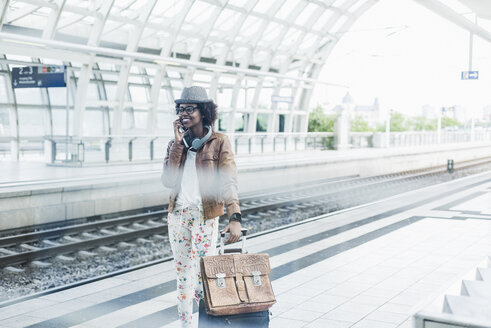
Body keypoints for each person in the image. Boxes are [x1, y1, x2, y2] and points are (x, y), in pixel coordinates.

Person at [161, 86, 242, 327]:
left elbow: (228, 181)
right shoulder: (175, 144)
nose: (183, 113)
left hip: (205, 216)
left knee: (205, 276)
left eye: (189, 108)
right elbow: (168, 180)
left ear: (204, 111)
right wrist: (177, 145)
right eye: (180, 109)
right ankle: (186, 324)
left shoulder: (219, 143)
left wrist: (234, 217)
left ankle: (209, 323)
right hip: (177, 216)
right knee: (183, 277)